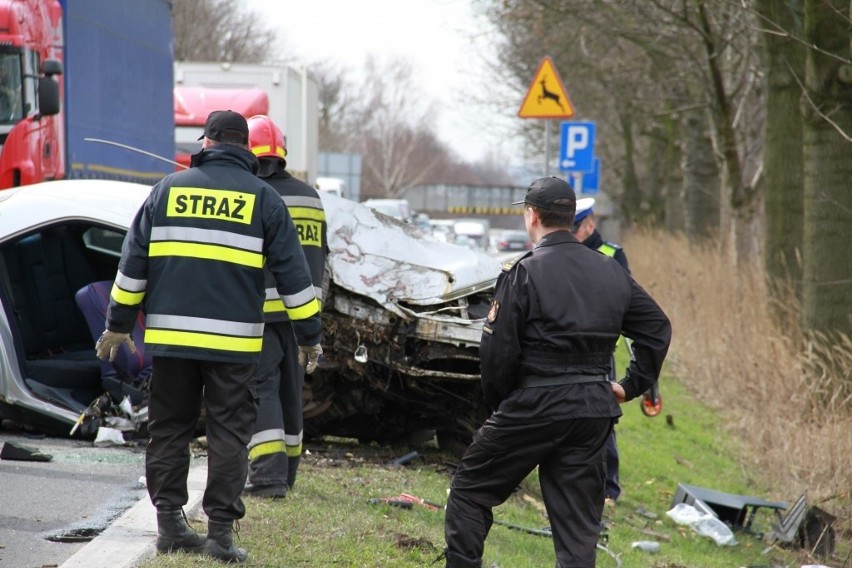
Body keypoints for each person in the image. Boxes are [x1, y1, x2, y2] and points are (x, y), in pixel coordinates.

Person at [95, 110, 323, 564]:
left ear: (208, 141)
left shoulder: (166, 190)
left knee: (169, 430)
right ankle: (220, 534)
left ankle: (170, 526)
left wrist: (118, 325)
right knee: (229, 435)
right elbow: (295, 278)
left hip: (172, 343)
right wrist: (308, 336)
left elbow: (132, 264)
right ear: (246, 149)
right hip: (233, 347)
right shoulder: (264, 199)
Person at [442, 177, 671, 568]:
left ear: (532, 216)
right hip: (593, 409)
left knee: (469, 490)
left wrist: (503, 408)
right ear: (570, 217)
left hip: (534, 404)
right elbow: (657, 329)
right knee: (578, 529)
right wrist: (630, 386)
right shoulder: (611, 271)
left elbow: (497, 354)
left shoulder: (525, 272)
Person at [243, 115, 328, 498]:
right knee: (292, 395)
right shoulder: (310, 196)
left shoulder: (253, 195)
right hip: (301, 317)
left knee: (262, 391)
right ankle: (288, 473)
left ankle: (267, 478)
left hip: (261, 314)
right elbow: (323, 257)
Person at [572, 197, 628, 503]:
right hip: (569, 350)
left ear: (590, 226)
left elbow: (624, 303)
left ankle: (609, 490)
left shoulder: (612, 255)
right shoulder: (565, 253)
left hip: (600, 353)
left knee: (603, 419)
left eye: (574, 229)